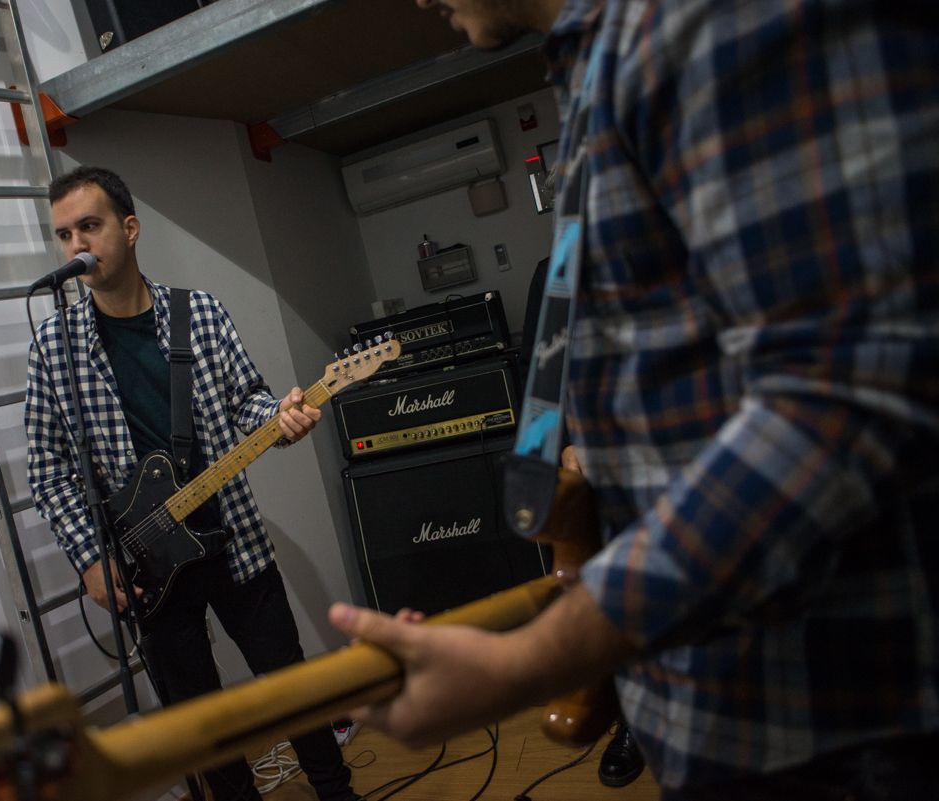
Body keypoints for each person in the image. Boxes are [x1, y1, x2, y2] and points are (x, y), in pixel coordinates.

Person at [330, 2, 939, 799]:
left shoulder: (700, 20)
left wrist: (526, 661)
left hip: (833, 718)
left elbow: (846, 395)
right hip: (722, 704)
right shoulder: (604, 62)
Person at [25, 166, 357, 801]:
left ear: (129, 228)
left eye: (89, 226)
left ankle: (337, 792)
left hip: (233, 541)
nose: (76, 246)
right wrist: (91, 557)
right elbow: (48, 468)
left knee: (293, 688)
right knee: (203, 724)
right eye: (63, 234)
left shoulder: (198, 313)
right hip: (146, 566)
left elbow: (248, 401)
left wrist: (282, 417)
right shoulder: (54, 346)